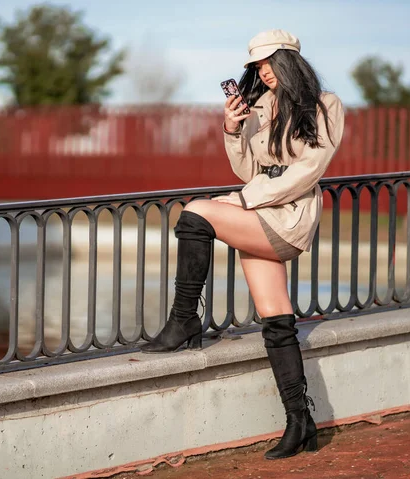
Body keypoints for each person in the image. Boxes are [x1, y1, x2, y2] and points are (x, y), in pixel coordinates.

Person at [140, 29, 345, 460]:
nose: (263, 71)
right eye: (257, 65)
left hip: (287, 216)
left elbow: (307, 171)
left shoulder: (326, 105)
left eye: (269, 62)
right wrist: (232, 129)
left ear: (290, 61)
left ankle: (184, 321)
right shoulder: (260, 105)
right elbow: (248, 168)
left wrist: (247, 200)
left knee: (196, 213)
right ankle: (300, 421)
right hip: (258, 211)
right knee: (276, 320)